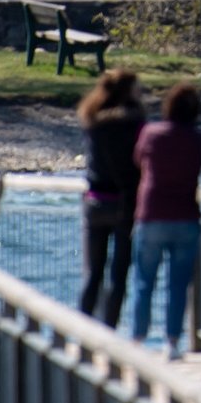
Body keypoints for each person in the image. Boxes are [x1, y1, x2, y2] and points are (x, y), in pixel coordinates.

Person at [129, 82, 201, 358]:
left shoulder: (151, 133)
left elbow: (138, 160)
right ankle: (171, 342)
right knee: (178, 284)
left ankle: (137, 338)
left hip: (151, 215)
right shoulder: (196, 138)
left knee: (144, 281)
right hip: (185, 217)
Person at [76, 69, 145, 328]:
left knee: (92, 274)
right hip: (124, 203)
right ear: (128, 91)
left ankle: (82, 332)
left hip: (94, 201)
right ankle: (108, 332)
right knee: (118, 276)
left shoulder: (92, 122)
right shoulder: (136, 124)